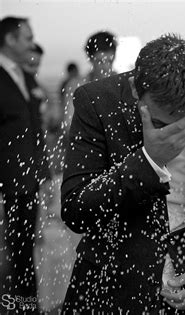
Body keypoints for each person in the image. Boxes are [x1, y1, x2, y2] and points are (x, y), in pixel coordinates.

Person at [61, 33, 185, 314]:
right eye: (161, 122)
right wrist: (148, 160)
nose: (176, 134)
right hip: (113, 289)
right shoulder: (97, 101)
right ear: (135, 90)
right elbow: (76, 210)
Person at [0, 16, 50, 312]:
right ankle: (22, 305)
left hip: (26, 180)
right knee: (16, 253)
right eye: (27, 37)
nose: (32, 43)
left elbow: (34, 126)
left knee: (23, 251)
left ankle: (26, 306)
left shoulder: (25, 75)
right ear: (10, 40)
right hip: (8, 180)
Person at [62, 31, 117, 134]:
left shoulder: (124, 85)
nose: (106, 68)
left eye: (109, 61)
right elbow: (68, 125)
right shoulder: (76, 87)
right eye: (100, 62)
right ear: (90, 59)